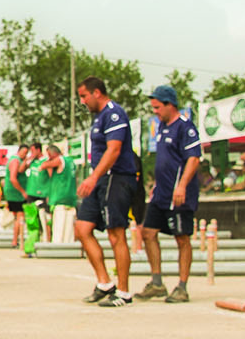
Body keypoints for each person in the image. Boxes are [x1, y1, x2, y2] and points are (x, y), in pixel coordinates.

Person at [73, 78, 141, 306]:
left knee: (116, 234)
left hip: (117, 178)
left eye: (84, 96)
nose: (82, 101)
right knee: (82, 228)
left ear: (97, 93)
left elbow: (114, 150)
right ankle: (104, 283)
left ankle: (123, 291)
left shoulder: (114, 114)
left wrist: (92, 177)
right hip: (100, 179)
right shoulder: (98, 117)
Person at [136, 85, 201, 301]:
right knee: (147, 232)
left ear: (169, 105)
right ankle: (157, 283)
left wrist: (182, 185)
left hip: (178, 194)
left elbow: (193, 158)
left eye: (157, 107)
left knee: (182, 238)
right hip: (161, 193)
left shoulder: (185, 127)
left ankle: (182, 287)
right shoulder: (161, 128)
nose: (154, 111)